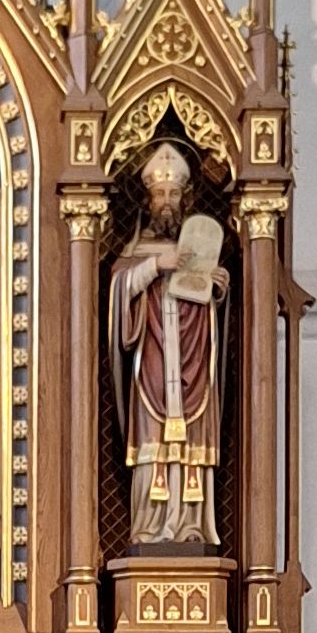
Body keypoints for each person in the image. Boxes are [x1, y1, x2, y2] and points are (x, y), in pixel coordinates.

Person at [109, 142, 228, 550]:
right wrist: (154, 266)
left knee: (193, 442)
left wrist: (217, 288)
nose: (166, 201)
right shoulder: (134, 251)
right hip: (154, 366)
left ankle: (192, 527)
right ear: (148, 199)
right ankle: (150, 526)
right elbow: (118, 292)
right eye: (159, 193)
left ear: (185, 198)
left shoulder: (198, 246)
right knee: (152, 443)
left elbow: (209, 301)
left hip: (194, 361)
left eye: (173, 193)